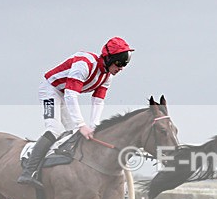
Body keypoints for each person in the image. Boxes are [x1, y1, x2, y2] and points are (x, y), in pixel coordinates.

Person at [17, 37, 134, 189]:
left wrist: (93, 126)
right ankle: (28, 171)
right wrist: (82, 125)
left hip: (64, 94)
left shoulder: (107, 77)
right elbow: (71, 95)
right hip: (51, 90)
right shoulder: (84, 64)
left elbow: (98, 101)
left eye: (125, 64)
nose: (121, 68)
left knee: (72, 133)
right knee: (54, 129)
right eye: (119, 63)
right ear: (109, 58)